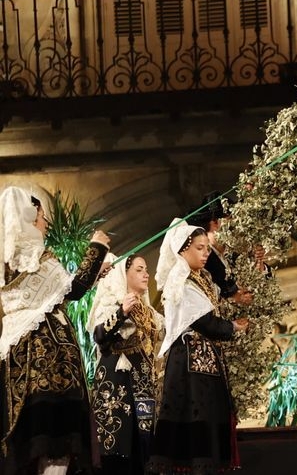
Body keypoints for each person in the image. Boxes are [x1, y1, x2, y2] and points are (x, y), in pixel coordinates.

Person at [0, 186, 110, 475]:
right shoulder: (37, 255)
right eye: (42, 216)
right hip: (50, 361)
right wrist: (96, 247)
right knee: (56, 443)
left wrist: (95, 275)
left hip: (18, 356)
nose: (46, 222)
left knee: (32, 445)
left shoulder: (9, 261)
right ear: (29, 217)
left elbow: (52, 294)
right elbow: (73, 289)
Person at [148, 220, 249, 474]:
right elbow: (204, 321)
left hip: (205, 361)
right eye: (200, 248)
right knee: (195, 421)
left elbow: (216, 301)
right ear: (184, 250)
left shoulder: (200, 279)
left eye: (207, 248)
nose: (206, 253)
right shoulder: (180, 282)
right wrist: (233, 327)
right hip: (188, 364)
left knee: (210, 419)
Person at [88, 252, 164, 475]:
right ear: (124, 275)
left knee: (142, 445)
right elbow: (99, 335)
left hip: (142, 382)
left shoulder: (149, 312)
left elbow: (162, 333)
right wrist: (122, 312)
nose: (146, 274)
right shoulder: (111, 304)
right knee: (116, 443)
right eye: (138, 270)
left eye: (146, 270)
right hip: (116, 381)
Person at [186, 192, 253, 305]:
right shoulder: (202, 260)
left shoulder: (234, 252)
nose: (236, 226)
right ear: (215, 222)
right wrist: (234, 299)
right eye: (230, 219)